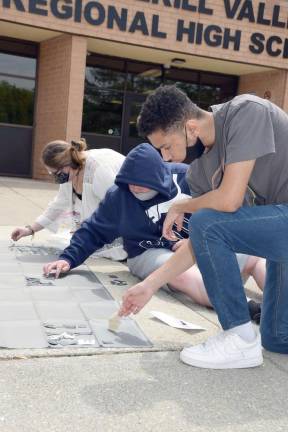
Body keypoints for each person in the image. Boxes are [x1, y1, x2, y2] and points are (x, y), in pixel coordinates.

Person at [119, 85, 288, 369]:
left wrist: (181, 205)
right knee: (276, 338)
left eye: (167, 146)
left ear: (191, 128)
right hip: (279, 237)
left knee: (205, 221)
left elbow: (230, 200)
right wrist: (149, 285)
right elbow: (202, 240)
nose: (166, 158)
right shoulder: (200, 173)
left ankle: (239, 337)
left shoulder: (247, 112)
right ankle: (249, 340)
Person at [42, 143, 265, 306]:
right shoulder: (118, 196)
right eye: (131, 184)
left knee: (255, 256)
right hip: (147, 251)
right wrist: (67, 258)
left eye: (143, 184)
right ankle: (249, 307)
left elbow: (224, 204)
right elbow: (93, 231)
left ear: (159, 178)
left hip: (198, 243)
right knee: (179, 272)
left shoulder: (186, 178)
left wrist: (195, 238)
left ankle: (280, 302)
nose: (136, 189)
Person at [11, 138, 127, 260]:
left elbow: (123, 209)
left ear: (67, 163)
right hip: (104, 226)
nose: (55, 178)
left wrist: (90, 231)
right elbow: (57, 206)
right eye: (51, 173)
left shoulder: (99, 171)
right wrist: (30, 229)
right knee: (68, 243)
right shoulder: (70, 173)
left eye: (56, 173)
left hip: (128, 225)